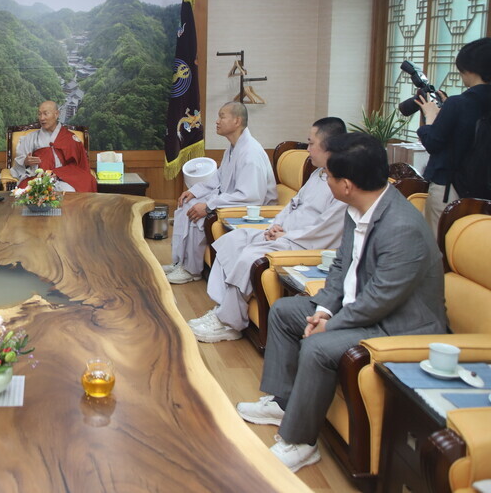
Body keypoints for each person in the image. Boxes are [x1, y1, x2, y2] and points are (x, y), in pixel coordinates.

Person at [235, 132, 446, 472]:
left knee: (319, 347)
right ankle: (283, 402)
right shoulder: (357, 209)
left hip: (399, 324)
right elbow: (340, 267)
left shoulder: (402, 227)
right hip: (362, 308)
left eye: (329, 176)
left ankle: (300, 442)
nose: (325, 181)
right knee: (287, 312)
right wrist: (322, 310)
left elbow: (382, 299)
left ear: (346, 185)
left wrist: (330, 324)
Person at [190, 117, 348, 343]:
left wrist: (287, 235)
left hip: (301, 243)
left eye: (311, 143)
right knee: (234, 240)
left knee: (249, 257)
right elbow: (292, 204)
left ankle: (230, 323)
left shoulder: (341, 183)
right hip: (284, 233)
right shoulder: (318, 173)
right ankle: (222, 309)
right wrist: (277, 224)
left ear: (330, 146)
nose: (308, 149)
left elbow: (326, 229)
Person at [164, 101, 277, 284]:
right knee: (187, 204)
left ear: (237, 121)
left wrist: (208, 206)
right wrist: (194, 191)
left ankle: (192, 271)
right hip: (232, 201)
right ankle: (181, 262)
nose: (217, 121)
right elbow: (218, 177)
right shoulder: (233, 148)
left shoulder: (251, 153)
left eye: (222, 116)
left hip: (253, 211)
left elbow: (250, 196)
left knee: (197, 214)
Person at [416, 37, 491, 234]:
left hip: (449, 188)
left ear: (468, 69)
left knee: (441, 245)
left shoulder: (459, 104)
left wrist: (430, 118)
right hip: (483, 189)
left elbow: (433, 142)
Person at [10, 100, 97, 193]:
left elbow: (79, 164)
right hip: (38, 178)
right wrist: (25, 162)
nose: (41, 118)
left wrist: (58, 173)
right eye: (39, 114)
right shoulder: (30, 138)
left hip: (64, 178)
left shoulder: (70, 138)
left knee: (76, 188)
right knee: (30, 193)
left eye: (45, 114)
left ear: (56, 114)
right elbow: (18, 163)